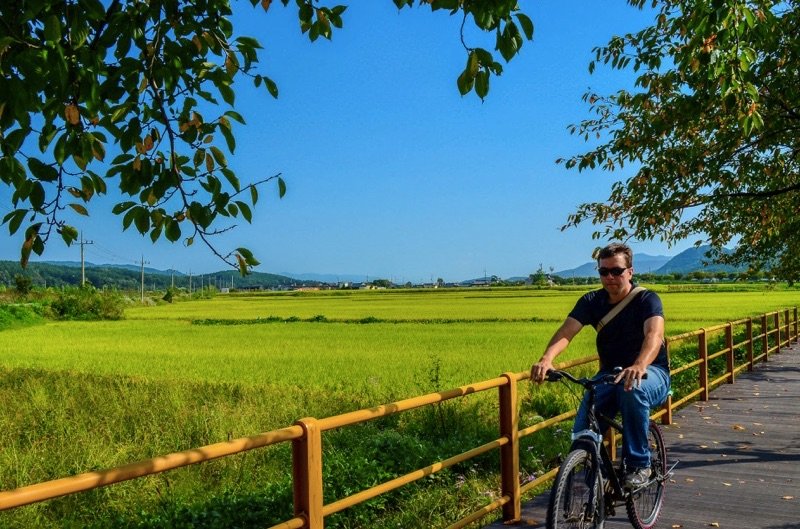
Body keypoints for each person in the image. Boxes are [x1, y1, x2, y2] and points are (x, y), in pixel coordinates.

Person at [530, 242, 670, 488]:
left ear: (630, 271)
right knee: (584, 431)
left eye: (616, 271)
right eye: (603, 272)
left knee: (632, 389)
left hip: (651, 372)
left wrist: (639, 364)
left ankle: (639, 464)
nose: (610, 277)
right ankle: (598, 483)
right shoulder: (592, 301)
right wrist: (547, 359)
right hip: (609, 374)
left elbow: (654, 336)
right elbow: (567, 331)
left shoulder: (647, 299)